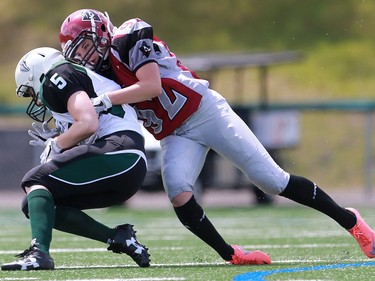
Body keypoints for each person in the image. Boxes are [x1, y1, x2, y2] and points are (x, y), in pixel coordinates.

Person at [58, 9, 375, 265]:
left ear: (99, 31)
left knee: (271, 181)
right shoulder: (98, 76)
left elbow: (151, 85)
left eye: (86, 45)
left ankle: (352, 222)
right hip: (174, 133)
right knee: (179, 191)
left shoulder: (129, 35)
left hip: (205, 112)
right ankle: (231, 254)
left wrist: (107, 100)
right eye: (79, 53)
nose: (86, 56)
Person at [1, 47, 150, 270]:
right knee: (36, 204)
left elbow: (88, 123)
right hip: (128, 166)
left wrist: (58, 143)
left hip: (120, 151)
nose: (36, 101)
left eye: (30, 92)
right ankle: (119, 238)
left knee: (34, 180)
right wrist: (65, 138)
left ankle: (39, 253)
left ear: (36, 74)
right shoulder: (74, 77)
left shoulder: (57, 74)